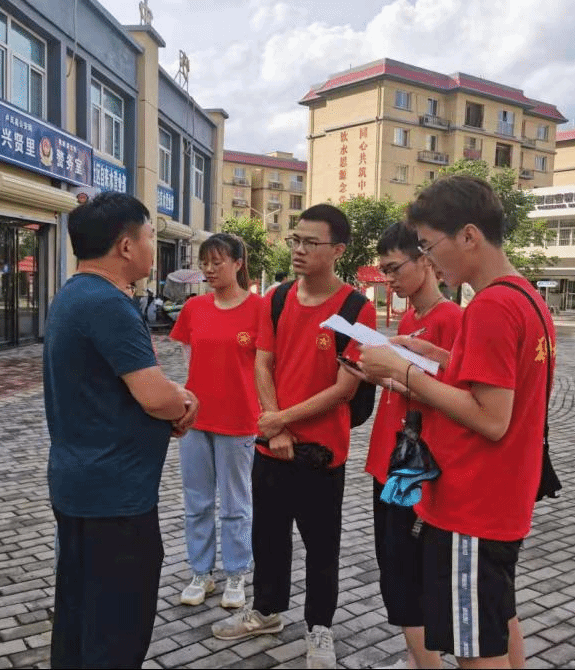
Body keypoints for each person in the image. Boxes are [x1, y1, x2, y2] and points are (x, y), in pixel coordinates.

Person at [359, 176, 555, 669]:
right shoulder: (523, 296)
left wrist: (401, 370)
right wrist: (436, 357)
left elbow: (491, 418)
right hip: (502, 498)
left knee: (476, 650)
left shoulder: (489, 305)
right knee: (496, 621)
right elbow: (500, 384)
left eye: (429, 245)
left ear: (468, 235)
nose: (429, 258)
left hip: (472, 503)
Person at [212, 204, 377, 670]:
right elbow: (263, 361)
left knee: (321, 543)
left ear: (338, 250)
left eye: (311, 242)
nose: (300, 250)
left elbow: (346, 388)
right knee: (268, 535)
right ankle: (266, 610)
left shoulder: (355, 308)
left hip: (322, 452)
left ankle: (320, 627)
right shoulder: (278, 298)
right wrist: (274, 422)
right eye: (296, 240)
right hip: (272, 445)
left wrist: (283, 419)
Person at [44, 192, 199, 668]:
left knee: (80, 615)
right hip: (115, 494)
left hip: (79, 483)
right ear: (126, 246)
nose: (153, 246)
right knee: (117, 627)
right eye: (151, 235)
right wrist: (184, 402)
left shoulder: (72, 294)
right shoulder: (109, 304)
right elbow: (154, 395)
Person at [365, 223, 462, 669]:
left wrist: (406, 370)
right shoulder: (409, 318)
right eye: (382, 270)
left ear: (426, 261)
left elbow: (458, 396)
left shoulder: (451, 320)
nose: (388, 278)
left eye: (394, 268)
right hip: (390, 457)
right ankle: (415, 659)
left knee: (407, 572)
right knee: (394, 567)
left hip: (415, 465)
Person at [170, 233, 262, 609]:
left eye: (217, 262)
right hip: (196, 418)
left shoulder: (259, 309)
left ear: (238, 264)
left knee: (236, 504)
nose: (209, 269)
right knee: (197, 500)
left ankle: (237, 573)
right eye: (204, 262)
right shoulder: (195, 308)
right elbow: (188, 361)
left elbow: (265, 366)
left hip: (240, 419)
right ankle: (201, 571)